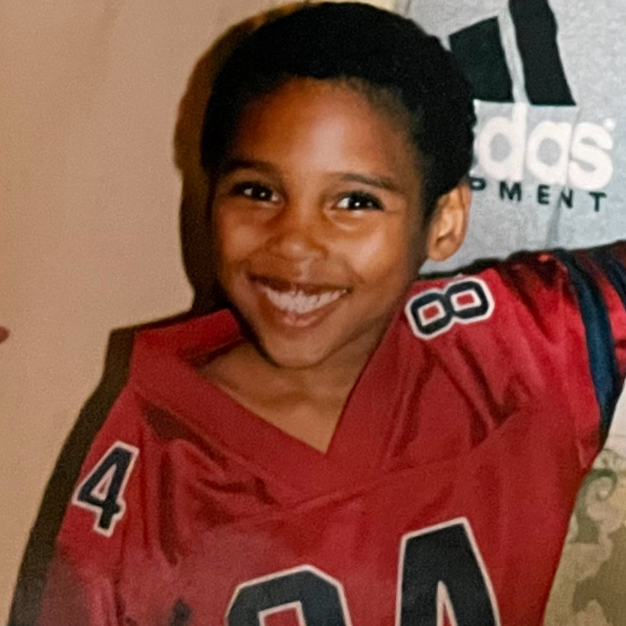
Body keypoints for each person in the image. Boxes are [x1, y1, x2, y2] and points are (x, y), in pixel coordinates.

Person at [35, 3, 626, 625]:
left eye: (354, 202)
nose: (294, 243)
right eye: (259, 191)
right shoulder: (155, 462)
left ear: (444, 220)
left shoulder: (512, 351)